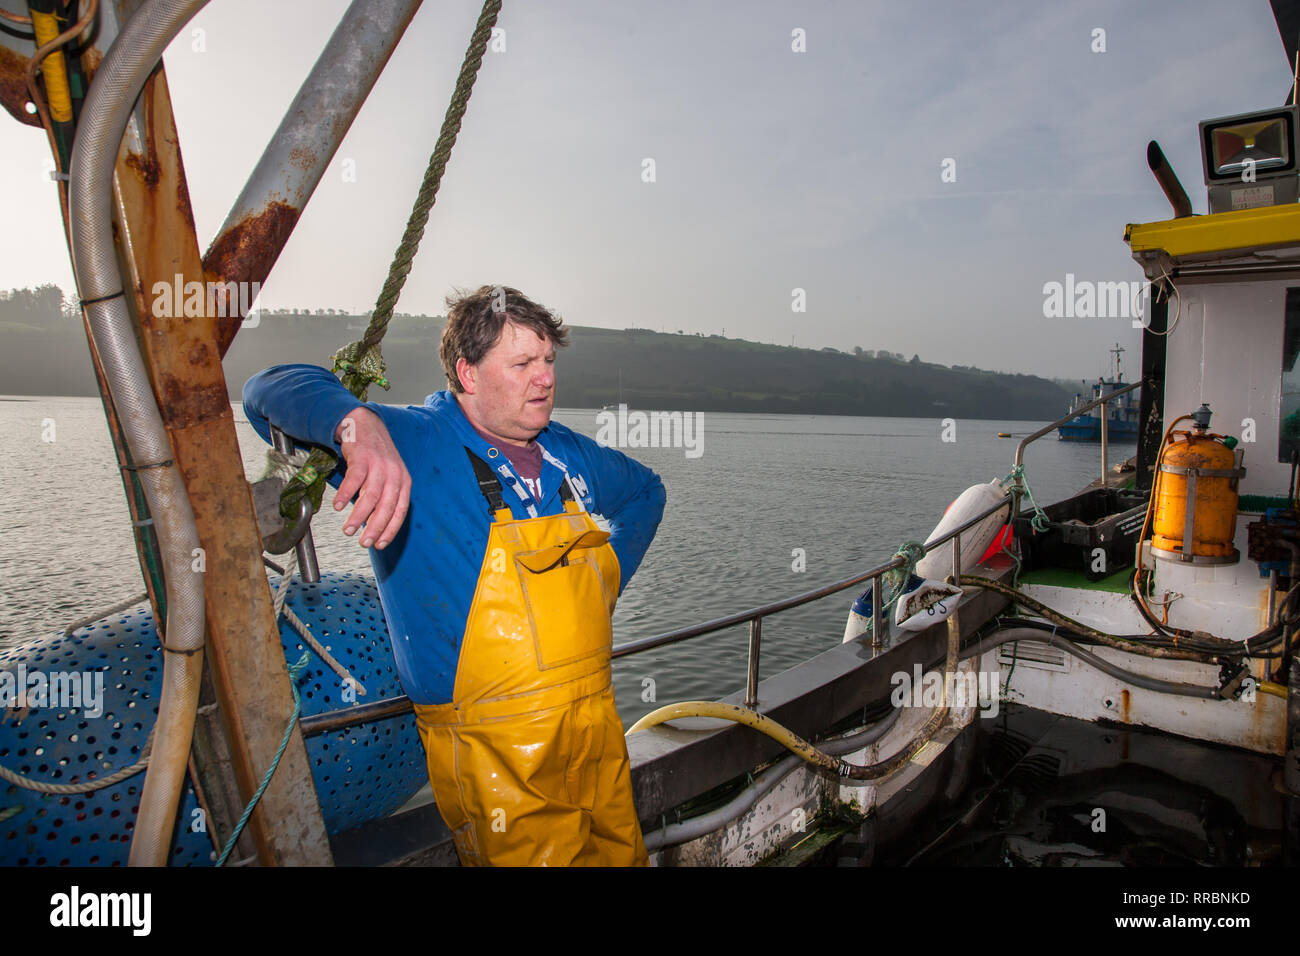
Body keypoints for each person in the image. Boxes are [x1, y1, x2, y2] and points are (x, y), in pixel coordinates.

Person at [242, 285, 666, 866]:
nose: (543, 379)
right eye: (521, 364)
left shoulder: (570, 453)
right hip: (493, 754)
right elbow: (266, 386)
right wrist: (356, 425)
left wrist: (605, 575)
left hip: (595, 728)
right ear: (467, 374)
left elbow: (647, 490)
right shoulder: (414, 440)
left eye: (547, 361)